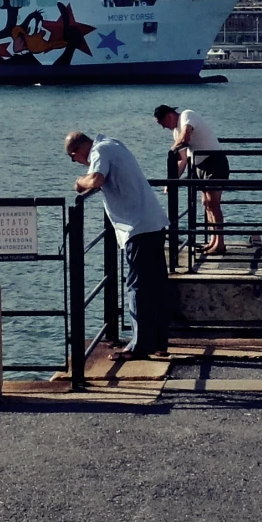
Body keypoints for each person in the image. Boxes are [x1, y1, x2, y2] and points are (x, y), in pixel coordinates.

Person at [65, 128, 169, 357]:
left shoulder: (99, 151)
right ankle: (159, 342)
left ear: (79, 149)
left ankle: (139, 346)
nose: (76, 162)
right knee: (156, 287)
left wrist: (79, 182)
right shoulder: (113, 144)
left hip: (137, 226)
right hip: (152, 222)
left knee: (137, 287)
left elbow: (96, 178)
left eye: (73, 157)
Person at [153, 103, 229, 256]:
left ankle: (220, 244)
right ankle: (213, 241)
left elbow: (185, 137)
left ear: (169, 116)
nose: (164, 127)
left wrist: (171, 149)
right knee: (206, 204)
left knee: (214, 203)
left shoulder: (187, 116)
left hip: (214, 162)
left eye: (163, 124)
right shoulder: (176, 132)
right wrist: (171, 180)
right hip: (200, 166)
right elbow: (182, 160)